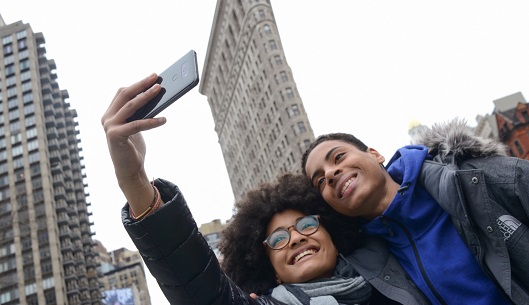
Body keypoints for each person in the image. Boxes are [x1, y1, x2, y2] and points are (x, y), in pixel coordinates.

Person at [101, 73, 429, 305]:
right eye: (278, 239)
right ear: (272, 272)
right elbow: (196, 284)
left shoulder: (399, 277)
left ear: (334, 235)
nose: (297, 237)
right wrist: (135, 181)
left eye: (306, 225)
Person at [301, 119, 529, 305]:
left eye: (338, 157)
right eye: (320, 180)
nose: (330, 174)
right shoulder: (362, 269)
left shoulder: (477, 177)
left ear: (375, 154)